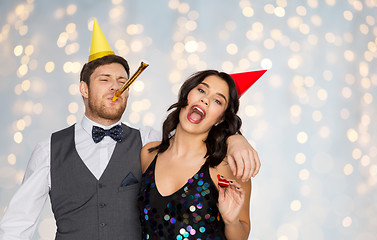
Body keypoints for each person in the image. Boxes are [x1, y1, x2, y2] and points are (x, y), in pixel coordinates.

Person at [0, 20, 260, 240]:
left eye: (123, 81)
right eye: (105, 80)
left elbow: (194, 144)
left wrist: (236, 138)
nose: (116, 87)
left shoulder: (147, 143)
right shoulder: (48, 150)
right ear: (84, 89)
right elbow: (17, 225)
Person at [138, 69, 265, 239]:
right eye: (202, 90)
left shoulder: (227, 165)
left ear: (220, 119)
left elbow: (242, 235)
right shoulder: (148, 153)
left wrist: (231, 221)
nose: (205, 99)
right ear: (187, 95)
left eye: (218, 101)